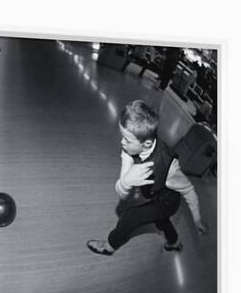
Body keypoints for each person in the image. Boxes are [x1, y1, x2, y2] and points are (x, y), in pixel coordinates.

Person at [87, 100, 207, 256]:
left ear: (147, 143)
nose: (122, 142)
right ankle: (174, 243)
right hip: (155, 191)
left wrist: (197, 218)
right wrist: (126, 181)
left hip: (168, 202)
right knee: (161, 221)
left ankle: (109, 246)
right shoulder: (131, 146)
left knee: (131, 217)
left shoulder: (170, 167)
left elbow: (189, 190)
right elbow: (122, 192)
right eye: (123, 136)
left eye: (128, 140)